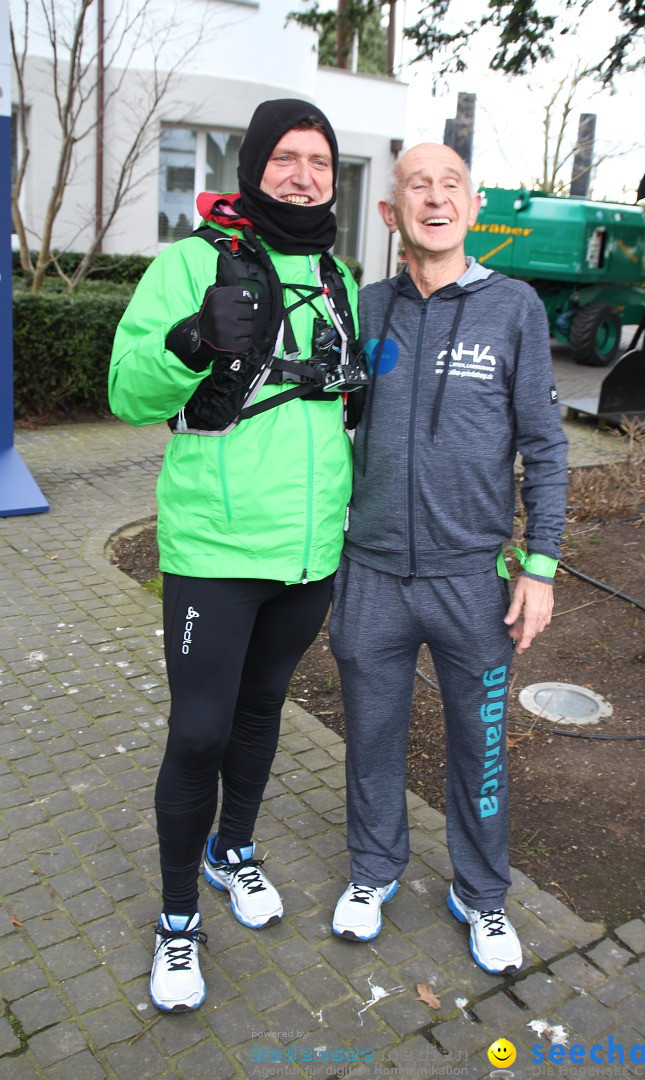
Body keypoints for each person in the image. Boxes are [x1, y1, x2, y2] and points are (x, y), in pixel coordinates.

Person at [108, 99, 362, 1012]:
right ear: (255, 166)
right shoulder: (185, 263)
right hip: (215, 550)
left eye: (320, 161)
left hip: (307, 553)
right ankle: (178, 922)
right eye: (287, 158)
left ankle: (233, 852)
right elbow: (128, 391)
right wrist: (189, 340)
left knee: (262, 715)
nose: (303, 175)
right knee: (199, 732)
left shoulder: (336, 273)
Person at [329, 143, 568, 974]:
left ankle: (482, 893)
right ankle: (373, 871)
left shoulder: (516, 309)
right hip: (372, 575)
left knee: (481, 743)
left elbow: (544, 445)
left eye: (452, 184)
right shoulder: (364, 308)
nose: (436, 196)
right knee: (372, 735)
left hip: (475, 582)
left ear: (473, 207)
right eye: (417, 186)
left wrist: (540, 567)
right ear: (392, 213)